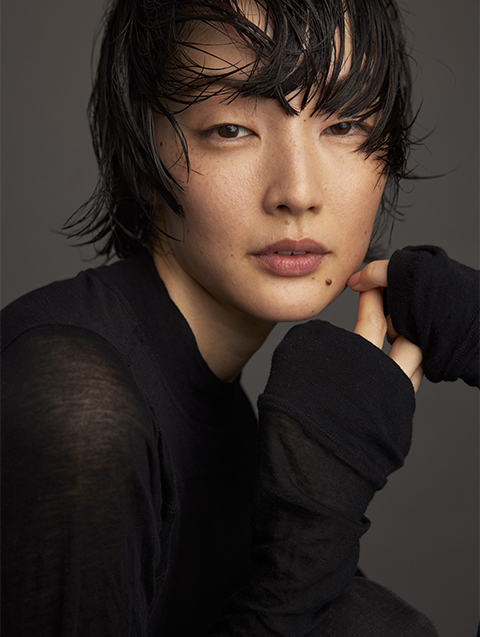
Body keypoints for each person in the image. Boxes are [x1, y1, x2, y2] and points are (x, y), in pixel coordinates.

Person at [1, 0, 478, 635]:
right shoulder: (75, 406)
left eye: (344, 125)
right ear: (138, 154)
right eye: (231, 129)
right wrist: (313, 523)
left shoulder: (211, 410)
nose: (298, 192)